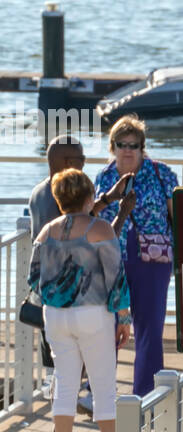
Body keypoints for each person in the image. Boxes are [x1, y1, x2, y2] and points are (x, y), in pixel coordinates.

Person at [29, 169, 131, 432]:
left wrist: (58, 294)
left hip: (56, 316)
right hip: (93, 314)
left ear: (59, 200)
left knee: (64, 384)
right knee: (103, 388)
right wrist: (123, 316)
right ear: (89, 197)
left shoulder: (46, 232)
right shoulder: (100, 229)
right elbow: (116, 277)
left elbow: (33, 278)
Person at [93, 115, 180, 398]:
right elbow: (92, 218)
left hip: (153, 261)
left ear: (143, 146)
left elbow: (175, 216)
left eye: (134, 144)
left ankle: (147, 396)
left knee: (149, 330)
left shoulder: (161, 174)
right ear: (112, 146)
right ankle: (102, 396)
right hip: (111, 261)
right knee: (107, 329)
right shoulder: (104, 178)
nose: (128, 150)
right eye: (122, 144)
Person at [27, 135, 98, 432]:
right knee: (66, 374)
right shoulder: (54, 196)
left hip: (59, 298)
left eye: (81, 159)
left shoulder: (50, 191)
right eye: (74, 158)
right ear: (57, 160)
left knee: (66, 374)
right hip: (62, 299)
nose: (79, 165)